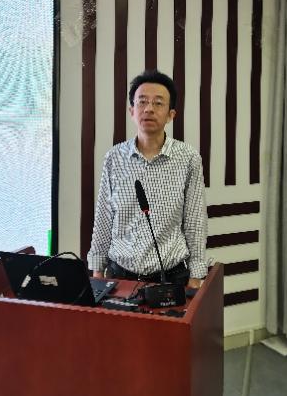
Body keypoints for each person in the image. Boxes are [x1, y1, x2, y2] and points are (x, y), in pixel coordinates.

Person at [87, 69, 208, 289]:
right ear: (132, 111)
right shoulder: (114, 157)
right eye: (142, 102)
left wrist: (196, 276)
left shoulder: (188, 158)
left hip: (171, 277)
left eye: (158, 103)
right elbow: (103, 218)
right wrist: (97, 270)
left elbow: (195, 222)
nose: (149, 109)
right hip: (120, 275)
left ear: (171, 114)